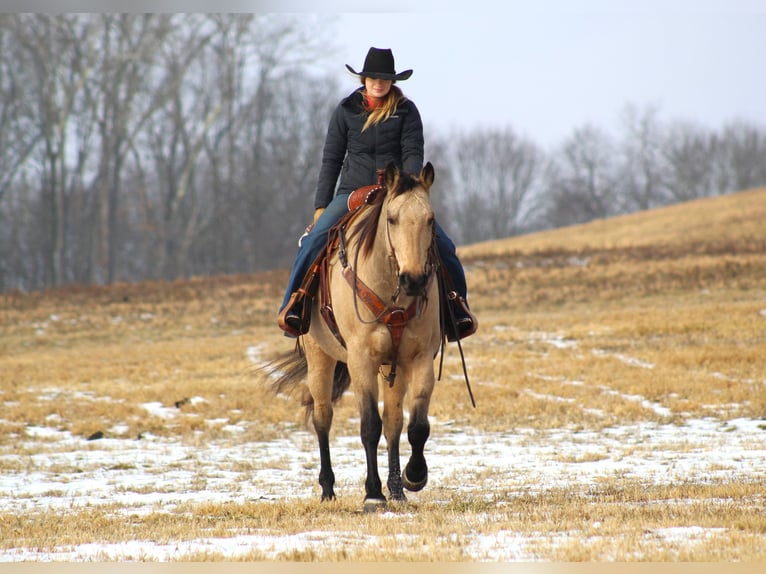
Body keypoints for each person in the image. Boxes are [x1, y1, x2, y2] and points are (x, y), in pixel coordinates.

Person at [277, 47, 476, 341]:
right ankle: (294, 307)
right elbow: (331, 159)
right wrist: (322, 204)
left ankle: (457, 310)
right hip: (352, 193)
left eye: (384, 79)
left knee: (444, 247)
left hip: (395, 193)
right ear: (363, 78)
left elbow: (412, 152)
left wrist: (406, 189)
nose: (378, 83)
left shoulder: (407, 112)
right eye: (373, 77)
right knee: (313, 243)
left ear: (393, 82)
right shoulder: (345, 111)